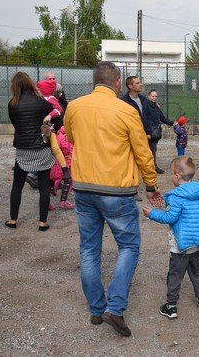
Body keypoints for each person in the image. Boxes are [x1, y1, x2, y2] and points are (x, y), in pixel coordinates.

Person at [64, 61, 163, 337]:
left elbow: (71, 137)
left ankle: (97, 309)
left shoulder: (75, 107)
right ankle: (115, 308)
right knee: (129, 246)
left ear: (94, 81)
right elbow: (143, 152)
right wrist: (151, 185)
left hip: (84, 188)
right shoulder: (126, 110)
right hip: (116, 190)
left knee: (89, 249)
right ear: (118, 81)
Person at [142, 156, 199, 319]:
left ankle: (171, 306)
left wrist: (152, 214)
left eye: (172, 173)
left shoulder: (176, 196)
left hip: (181, 243)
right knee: (196, 270)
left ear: (178, 176)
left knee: (175, 273)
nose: (171, 176)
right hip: (196, 241)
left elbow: (170, 217)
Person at [6, 72, 54, 231]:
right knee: (44, 186)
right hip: (41, 147)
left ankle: (13, 220)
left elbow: (15, 124)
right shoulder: (42, 102)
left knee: (17, 185)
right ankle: (42, 223)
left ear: (15, 86)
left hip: (23, 149)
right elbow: (54, 118)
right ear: (30, 83)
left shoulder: (12, 103)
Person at [120, 76, 152, 202]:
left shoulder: (143, 100)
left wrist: (148, 132)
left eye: (140, 82)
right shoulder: (123, 101)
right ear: (130, 86)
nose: (141, 84)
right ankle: (131, 191)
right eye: (137, 83)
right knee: (129, 163)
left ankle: (135, 189)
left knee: (142, 161)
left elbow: (147, 117)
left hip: (142, 135)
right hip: (128, 137)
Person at [145, 90, 176, 173]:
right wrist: (147, 132)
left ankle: (153, 167)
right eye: (153, 96)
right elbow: (144, 119)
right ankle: (150, 168)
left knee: (153, 150)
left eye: (156, 96)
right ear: (149, 96)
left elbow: (163, 118)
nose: (154, 98)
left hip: (155, 133)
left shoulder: (156, 107)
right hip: (148, 132)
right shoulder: (145, 106)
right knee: (148, 151)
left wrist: (172, 123)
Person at [48, 126, 75, 210]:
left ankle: (46, 202)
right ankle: (63, 201)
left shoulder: (50, 135)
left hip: (49, 162)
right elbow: (66, 149)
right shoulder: (61, 137)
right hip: (60, 163)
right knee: (68, 180)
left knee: (49, 181)